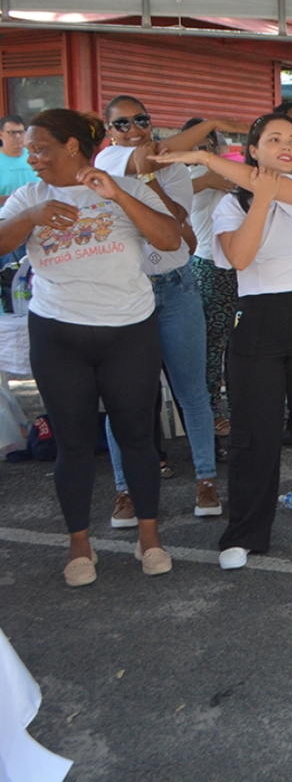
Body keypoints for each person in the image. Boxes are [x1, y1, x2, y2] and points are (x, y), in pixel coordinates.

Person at [151, 113, 292, 570]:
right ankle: (246, 532)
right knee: (254, 434)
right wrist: (259, 201)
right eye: (274, 139)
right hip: (256, 321)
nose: (286, 146)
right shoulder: (230, 204)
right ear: (253, 150)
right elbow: (240, 258)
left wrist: (206, 157)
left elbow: (266, 184)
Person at [0, 109, 183, 585]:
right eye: (29, 150)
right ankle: (79, 546)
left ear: (71, 147)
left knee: (137, 437)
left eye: (40, 149)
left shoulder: (125, 187)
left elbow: (172, 240)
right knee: (74, 444)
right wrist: (32, 217)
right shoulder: (28, 196)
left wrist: (118, 194)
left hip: (129, 332)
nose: (31, 158)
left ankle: (149, 538)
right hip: (58, 335)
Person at [94, 96, 249, 525]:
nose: (133, 129)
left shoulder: (175, 168)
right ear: (109, 132)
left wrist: (151, 181)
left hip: (178, 286)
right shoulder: (107, 161)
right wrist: (212, 121)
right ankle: (124, 490)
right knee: (125, 399)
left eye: (140, 120)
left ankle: (205, 480)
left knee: (193, 391)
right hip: (130, 289)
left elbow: (178, 221)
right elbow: (146, 159)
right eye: (122, 123)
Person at [184, 119, 240, 438]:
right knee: (213, 346)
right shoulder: (197, 175)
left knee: (234, 343)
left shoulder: (217, 173)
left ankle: (232, 407)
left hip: (234, 264)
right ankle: (212, 412)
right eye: (200, 146)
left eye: (211, 144)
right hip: (210, 268)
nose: (207, 150)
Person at [0, 115, 37, 202]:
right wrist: (14, 200)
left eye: (21, 132)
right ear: (1, 135)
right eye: (12, 133)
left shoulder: (36, 156)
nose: (17, 136)